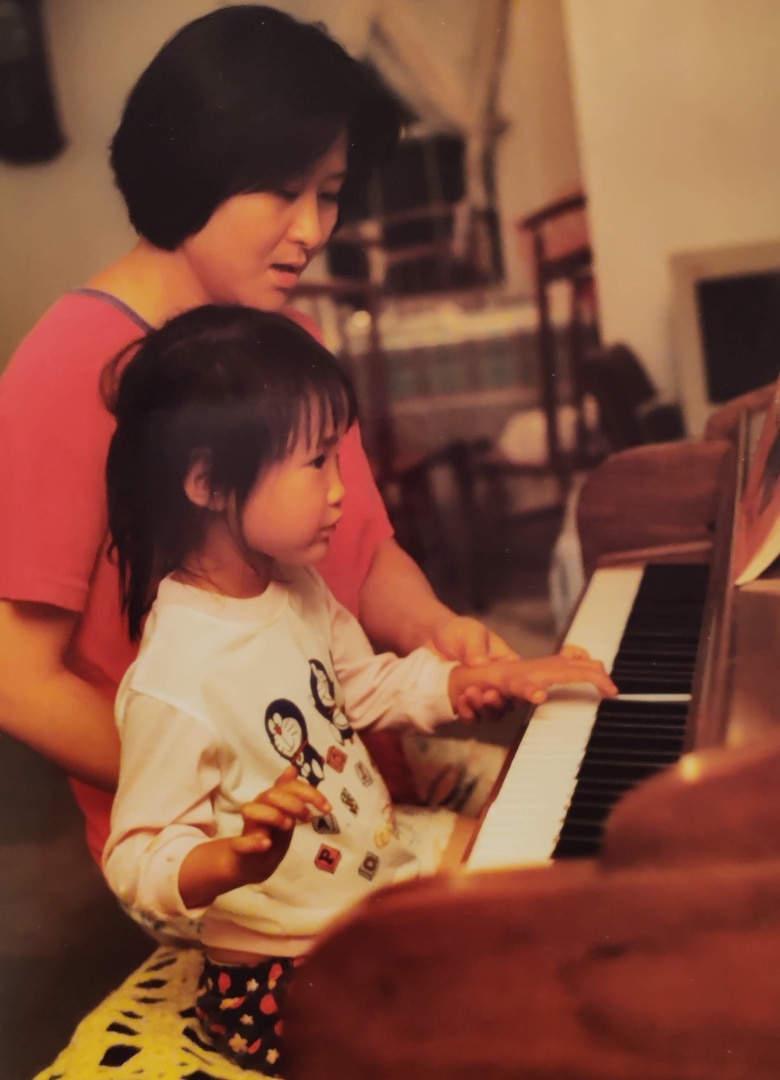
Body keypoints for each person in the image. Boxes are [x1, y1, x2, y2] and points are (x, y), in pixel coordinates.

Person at [0, 5, 518, 870]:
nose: (314, 230)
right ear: (192, 167)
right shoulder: (70, 363)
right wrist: (230, 799)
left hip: (355, 772)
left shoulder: (289, 343)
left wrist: (436, 625)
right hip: (236, 845)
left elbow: (363, 554)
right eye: (284, 191)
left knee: (606, 827)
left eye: (329, 194)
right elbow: (19, 682)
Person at [100, 305, 618, 1075]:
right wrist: (232, 860)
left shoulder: (296, 588)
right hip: (292, 966)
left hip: (369, 873)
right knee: (512, 1007)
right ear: (208, 481)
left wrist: (484, 678)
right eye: (315, 464)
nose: (341, 492)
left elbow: (366, 686)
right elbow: (137, 858)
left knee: (537, 865)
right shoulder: (176, 674)